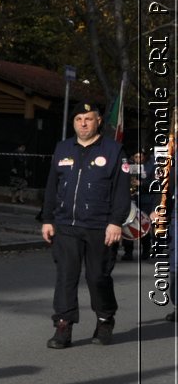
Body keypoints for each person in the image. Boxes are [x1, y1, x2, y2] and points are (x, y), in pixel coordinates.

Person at [40, 101, 130, 348]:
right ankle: (63, 325)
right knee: (66, 276)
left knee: (97, 277)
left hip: (100, 226)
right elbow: (51, 187)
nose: (83, 124)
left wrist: (115, 223)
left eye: (88, 119)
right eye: (78, 119)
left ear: (98, 120)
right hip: (66, 224)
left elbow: (122, 193)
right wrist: (47, 219)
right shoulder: (63, 148)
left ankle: (105, 318)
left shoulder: (113, 150)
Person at [122, 149, 148, 260]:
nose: (139, 159)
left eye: (140, 157)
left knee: (143, 226)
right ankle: (128, 252)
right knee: (128, 225)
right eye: (136, 157)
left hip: (144, 200)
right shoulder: (128, 167)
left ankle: (146, 251)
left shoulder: (150, 167)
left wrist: (142, 183)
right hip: (131, 199)